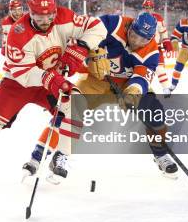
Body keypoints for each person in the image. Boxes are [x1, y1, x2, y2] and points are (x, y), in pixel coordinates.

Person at [0, 0, 106, 186]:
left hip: (51, 79)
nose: (46, 19)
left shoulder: (65, 17)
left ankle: (61, 155)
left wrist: (81, 47)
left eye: (50, 14)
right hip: (17, 83)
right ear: (30, 13)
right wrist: (52, 78)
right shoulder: (18, 33)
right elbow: (24, 73)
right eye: (40, 16)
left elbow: (97, 27)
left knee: (76, 105)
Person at [22, 11, 179, 180]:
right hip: (96, 80)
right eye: (134, 35)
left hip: (126, 85)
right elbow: (87, 34)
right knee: (69, 108)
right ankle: (44, 153)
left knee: (154, 111)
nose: (136, 42)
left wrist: (133, 92)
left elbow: (141, 78)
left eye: (143, 40)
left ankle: (161, 154)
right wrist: (93, 55)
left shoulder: (152, 52)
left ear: (150, 39)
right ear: (130, 26)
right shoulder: (113, 23)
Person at [142, 0, 172, 95]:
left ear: (153, 8)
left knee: (159, 69)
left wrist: (166, 41)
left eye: (149, 8)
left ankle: (166, 88)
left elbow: (163, 32)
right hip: (143, 49)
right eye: (146, 8)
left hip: (156, 48)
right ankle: (146, 88)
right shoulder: (140, 18)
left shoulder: (158, 18)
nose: (148, 10)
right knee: (143, 71)